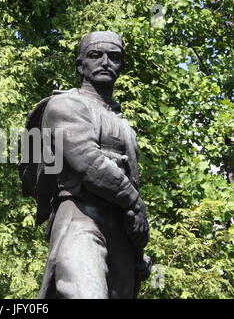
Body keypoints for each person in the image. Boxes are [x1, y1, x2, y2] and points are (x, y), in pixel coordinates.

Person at [27, 31, 151, 299]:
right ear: (80, 65)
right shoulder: (64, 104)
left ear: (121, 66)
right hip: (80, 216)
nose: (105, 62)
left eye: (114, 57)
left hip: (119, 226)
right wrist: (135, 204)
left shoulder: (123, 124)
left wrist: (137, 250)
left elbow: (131, 178)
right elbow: (87, 162)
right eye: (96, 55)